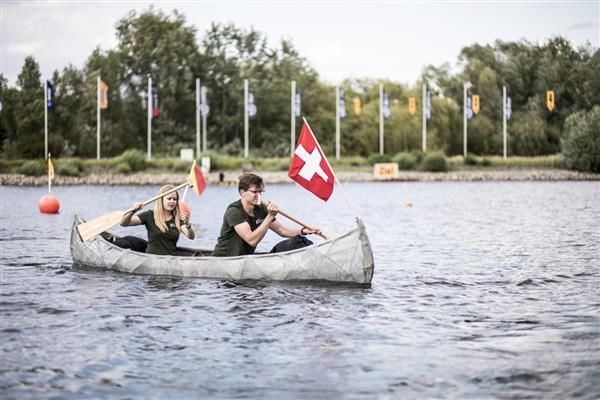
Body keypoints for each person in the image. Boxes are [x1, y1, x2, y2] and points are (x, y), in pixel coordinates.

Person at [212, 173, 321, 257]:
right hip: (226, 259)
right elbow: (251, 240)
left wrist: (304, 231)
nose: (259, 195)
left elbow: (283, 231)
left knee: (298, 242)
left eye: (261, 192)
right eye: (255, 192)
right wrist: (270, 216)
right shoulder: (234, 211)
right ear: (242, 193)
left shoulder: (261, 209)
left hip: (245, 259)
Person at [120, 184, 195, 255]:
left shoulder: (178, 218)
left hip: (170, 259)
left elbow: (191, 236)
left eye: (174, 199)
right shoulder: (149, 215)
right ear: (161, 200)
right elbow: (124, 223)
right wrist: (133, 211)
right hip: (151, 258)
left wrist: (188, 224)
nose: (172, 201)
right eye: (169, 199)